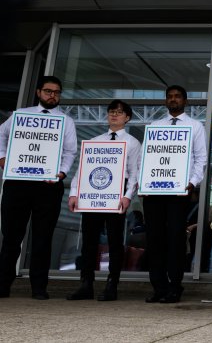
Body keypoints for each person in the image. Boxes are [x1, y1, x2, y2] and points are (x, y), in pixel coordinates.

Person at [0, 75, 77, 299]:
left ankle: (39, 287)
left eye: (57, 92)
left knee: (43, 238)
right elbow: (1, 136)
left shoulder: (66, 121)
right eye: (48, 91)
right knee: (12, 237)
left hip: (48, 186)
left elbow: (70, 151)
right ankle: (3, 285)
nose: (53, 95)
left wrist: (61, 172)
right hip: (18, 183)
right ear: (38, 92)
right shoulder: (20, 116)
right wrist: (3, 158)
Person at [66, 100, 141, 301]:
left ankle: (112, 284)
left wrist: (127, 196)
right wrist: (74, 192)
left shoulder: (133, 143)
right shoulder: (95, 140)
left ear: (127, 117)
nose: (114, 115)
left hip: (117, 196)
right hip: (92, 195)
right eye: (111, 112)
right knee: (89, 241)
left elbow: (135, 173)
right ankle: (86, 283)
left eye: (119, 112)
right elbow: (82, 170)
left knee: (116, 242)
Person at [143, 85, 207, 304]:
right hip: (154, 192)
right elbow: (148, 157)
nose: (173, 100)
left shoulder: (195, 126)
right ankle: (158, 286)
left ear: (185, 101)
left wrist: (192, 182)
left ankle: (174, 286)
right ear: (165, 101)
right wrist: (144, 184)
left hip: (179, 191)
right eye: (169, 97)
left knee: (175, 239)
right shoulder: (154, 125)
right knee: (154, 239)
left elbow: (201, 158)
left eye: (177, 97)